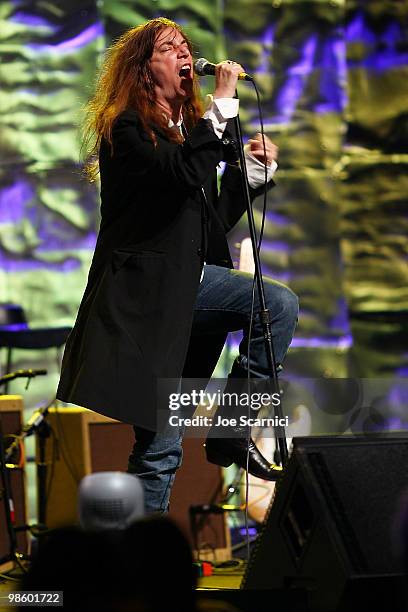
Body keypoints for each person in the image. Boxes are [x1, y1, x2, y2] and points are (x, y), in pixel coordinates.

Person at [57, 17, 298, 513]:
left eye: (187, 45)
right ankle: (229, 437)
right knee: (273, 303)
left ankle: (228, 434)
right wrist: (223, 105)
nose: (186, 55)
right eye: (171, 49)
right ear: (146, 69)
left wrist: (252, 171)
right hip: (149, 305)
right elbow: (184, 171)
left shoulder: (184, 130)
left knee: (161, 448)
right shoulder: (126, 128)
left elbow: (208, 220)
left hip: (182, 299)